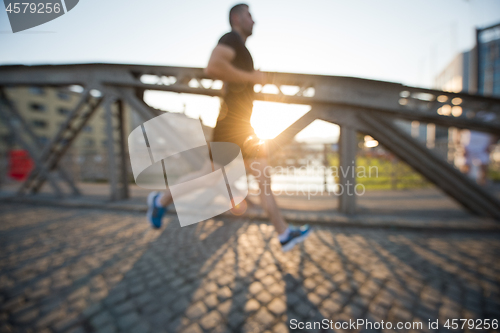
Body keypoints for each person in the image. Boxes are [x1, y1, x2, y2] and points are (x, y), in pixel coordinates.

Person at [146, 3, 310, 252]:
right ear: (236, 18)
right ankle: (160, 200)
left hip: (243, 125)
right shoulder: (230, 38)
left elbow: (227, 83)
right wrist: (253, 78)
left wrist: (248, 78)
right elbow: (212, 67)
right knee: (211, 176)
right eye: (249, 15)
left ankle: (284, 233)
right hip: (232, 125)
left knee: (260, 178)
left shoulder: (241, 48)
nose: (254, 21)